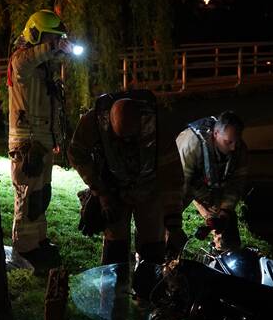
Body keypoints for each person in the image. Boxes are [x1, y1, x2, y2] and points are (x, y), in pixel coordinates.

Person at [69, 91, 186, 291]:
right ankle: (112, 298)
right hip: (112, 189)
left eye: (131, 138)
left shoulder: (159, 127)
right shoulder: (93, 121)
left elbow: (172, 176)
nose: (126, 144)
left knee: (153, 248)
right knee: (115, 248)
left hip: (149, 189)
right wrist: (100, 192)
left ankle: (146, 297)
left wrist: (173, 223)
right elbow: (76, 152)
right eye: (120, 138)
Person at [7, 9, 74, 270]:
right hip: (26, 142)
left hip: (41, 140)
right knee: (27, 194)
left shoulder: (41, 67)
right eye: (49, 37)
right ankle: (23, 249)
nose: (53, 43)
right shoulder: (20, 61)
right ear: (35, 34)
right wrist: (55, 47)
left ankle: (38, 241)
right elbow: (28, 59)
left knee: (41, 195)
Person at [176, 110, 248, 251]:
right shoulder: (191, 145)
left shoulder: (239, 148)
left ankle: (224, 253)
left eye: (236, 142)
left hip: (211, 183)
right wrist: (173, 223)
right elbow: (178, 186)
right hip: (186, 180)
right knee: (166, 224)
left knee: (227, 227)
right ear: (215, 134)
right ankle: (160, 261)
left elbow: (236, 184)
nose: (233, 147)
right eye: (228, 142)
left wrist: (224, 213)